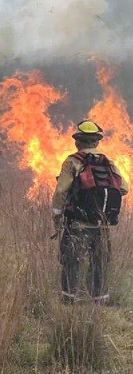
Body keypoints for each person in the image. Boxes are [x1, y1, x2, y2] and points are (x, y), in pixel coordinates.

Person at [52, 120, 127, 303]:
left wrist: (57, 217)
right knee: (98, 263)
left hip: (77, 223)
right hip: (101, 225)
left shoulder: (73, 161)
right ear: (96, 142)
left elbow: (61, 191)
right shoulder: (108, 162)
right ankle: (98, 300)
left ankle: (69, 301)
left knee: (71, 261)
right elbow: (123, 188)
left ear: (77, 141)